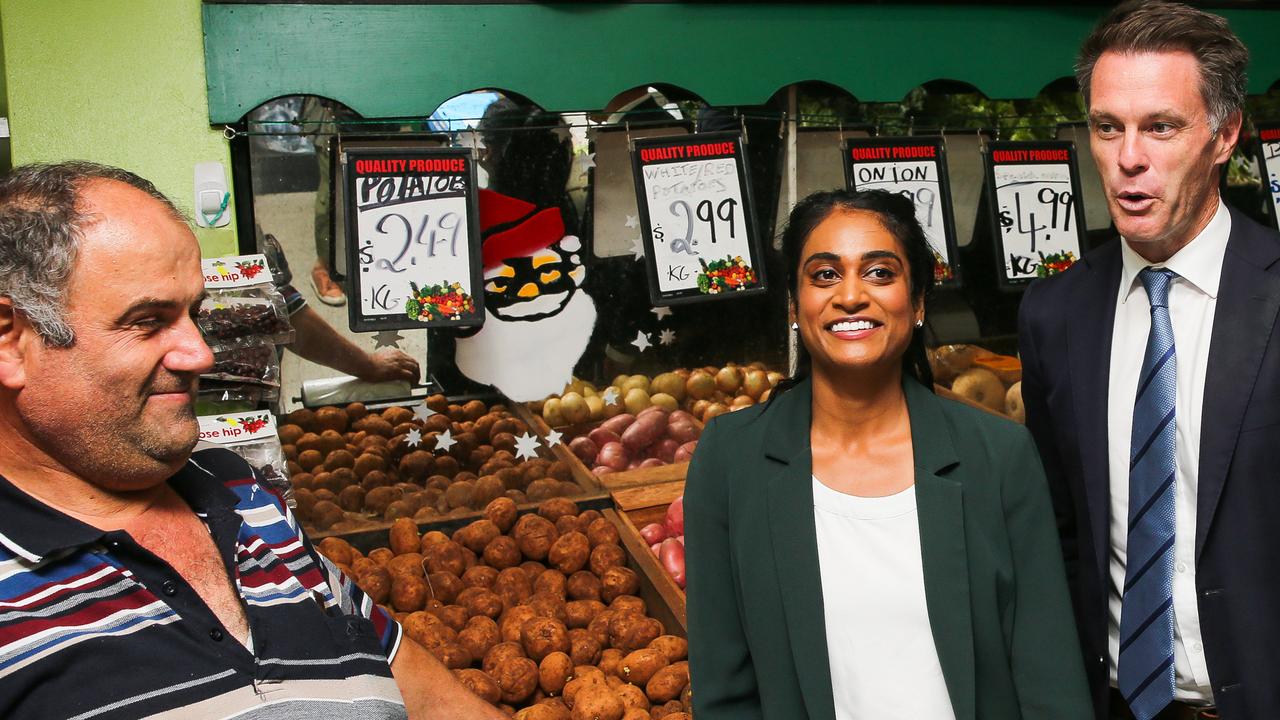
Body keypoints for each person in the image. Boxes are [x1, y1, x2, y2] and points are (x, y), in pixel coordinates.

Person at [0, 161, 505, 720]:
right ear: (9, 341)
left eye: (193, 314)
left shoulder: (242, 492)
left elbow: (432, 700)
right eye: (147, 320)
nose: (202, 355)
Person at [685, 189, 1091, 720]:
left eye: (879, 272)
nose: (851, 295)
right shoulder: (728, 461)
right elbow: (724, 694)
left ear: (918, 302)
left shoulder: (1000, 456)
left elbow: (1050, 679)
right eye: (824, 275)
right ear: (793, 303)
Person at [1018, 3, 1279, 718]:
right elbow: (1063, 536)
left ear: (1224, 134)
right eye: (1108, 127)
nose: (1129, 156)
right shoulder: (1054, 315)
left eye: (1161, 127)